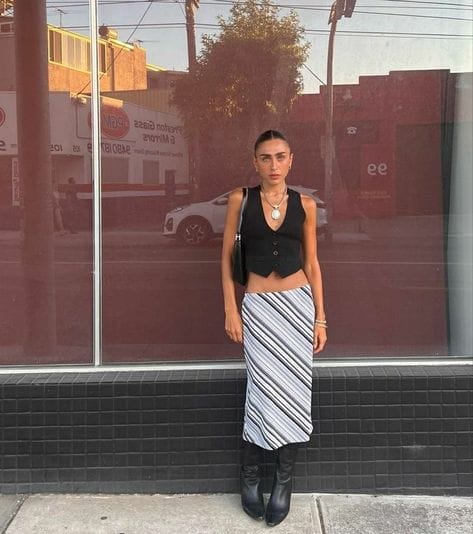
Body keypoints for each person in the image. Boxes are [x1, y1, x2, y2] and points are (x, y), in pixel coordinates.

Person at [221, 130, 327, 527]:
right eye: (265, 158)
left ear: (291, 160)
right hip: (259, 307)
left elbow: (312, 263)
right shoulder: (241, 199)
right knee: (261, 390)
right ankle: (250, 477)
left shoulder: (306, 204)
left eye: (280, 157)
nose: (274, 165)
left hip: (298, 307)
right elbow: (226, 259)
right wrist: (231, 309)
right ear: (255, 162)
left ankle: (283, 483)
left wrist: (320, 316)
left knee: (295, 393)